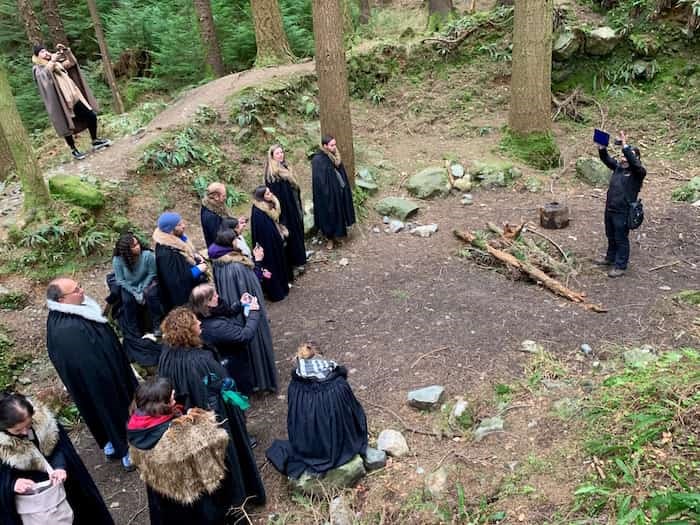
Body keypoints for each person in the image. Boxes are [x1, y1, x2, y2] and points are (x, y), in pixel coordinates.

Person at [157, 307, 265, 508]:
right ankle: (239, 500)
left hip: (188, 418)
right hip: (213, 417)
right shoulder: (201, 360)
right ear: (188, 331)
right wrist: (236, 412)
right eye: (195, 322)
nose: (200, 323)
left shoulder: (167, 354)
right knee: (228, 458)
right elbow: (224, 388)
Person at [46, 278, 138, 471]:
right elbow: (85, 365)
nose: (82, 290)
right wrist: (112, 378)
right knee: (110, 411)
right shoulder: (66, 330)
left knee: (110, 410)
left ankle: (115, 443)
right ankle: (125, 451)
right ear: (62, 300)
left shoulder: (77, 311)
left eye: (80, 285)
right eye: (76, 289)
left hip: (109, 373)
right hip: (100, 384)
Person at [127, 378, 237, 525]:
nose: (174, 394)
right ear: (162, 404)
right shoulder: (178, 437)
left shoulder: (136, 427)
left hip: (165, 491)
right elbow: (219, 441)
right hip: (193, 492)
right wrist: (204, 415)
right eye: (171, 396)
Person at [266, 342, 368, 479]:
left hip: (306, 447)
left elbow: (293, 420)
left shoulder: (294, 386)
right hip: (338, 446)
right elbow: (355, 414)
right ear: (321, 358)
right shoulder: (337, 384)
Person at [208, 229, 278, 393]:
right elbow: (252, 284)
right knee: (255, 339)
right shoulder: (236, 266)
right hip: (248, 310)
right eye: (235, 239)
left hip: (235, 309)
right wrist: (258, 261)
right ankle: (262, 380)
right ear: (229, 243)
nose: (238, 241)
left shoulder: (218, 262)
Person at [191, 282, 278, 395]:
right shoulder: (216, 327)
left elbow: (226, 314)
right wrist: (253, 313)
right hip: (231, 361)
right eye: (214, 296)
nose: (218, 296)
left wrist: (239, 304)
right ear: (207, 303)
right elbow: (244, 336)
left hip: (228, 356)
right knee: (241, 383)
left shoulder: (205, 313)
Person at [32, 44, 110, 160]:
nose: (46, 53)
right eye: (42, 52)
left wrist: (66, 51)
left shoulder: (56, 64)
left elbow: (72, 63)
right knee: (66, 125)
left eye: (45, 50)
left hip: (73, 97)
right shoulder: (38, 69)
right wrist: (52, 61)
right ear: (37, 56)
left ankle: (95, 140)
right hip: (61, 102)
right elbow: (46, 75)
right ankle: (74, 150)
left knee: (91, 115)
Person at [595, 130, 647, 277]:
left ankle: (620, 265)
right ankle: (610, 258)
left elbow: (634, 163)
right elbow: (607, 159)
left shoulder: (638, 172)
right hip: (610, 208)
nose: (623, 159)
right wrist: (601, 148)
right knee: (610, 235)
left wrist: (625, 146)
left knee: (621, 238)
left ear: (635, 158)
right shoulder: (618, 168)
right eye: (622, 156)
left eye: (627, 156)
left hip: (623, 211)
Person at [264, 144, 307, 272]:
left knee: (298, 230)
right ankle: (295, 262)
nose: (281, 155)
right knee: (290, 234)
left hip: (293, 206)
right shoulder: (273, 175)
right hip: (285, 211)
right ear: (272, 156)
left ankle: (301, 258)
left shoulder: (285, 168)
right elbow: (276, 197)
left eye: (282, 152)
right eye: (277, 153)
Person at [153, 212, 208, 312]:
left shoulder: (178, 238)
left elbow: (187, 253)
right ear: (170, 230)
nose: (184, 226)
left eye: (182, 222)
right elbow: (175, 280)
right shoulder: (166, 254)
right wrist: (197, 270)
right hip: (184, 299)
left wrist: (196, 257)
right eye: (179, 225)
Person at [112, 232, 163, 338]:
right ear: (127, 250)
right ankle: (134, 330)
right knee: (127, 301)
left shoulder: (147, 256)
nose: (138, 247)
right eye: (134, 246)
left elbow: (152, 273)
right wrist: (135, 293)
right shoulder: (118, 260)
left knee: (151, 295)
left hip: (147, 282)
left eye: (137, 244)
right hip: (129, 286)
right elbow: (120, 280)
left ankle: (157, 324)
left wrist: (143, 289)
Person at [311, 135, 355, 250]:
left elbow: (339, 170)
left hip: (337, 191)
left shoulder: (334, 156)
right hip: (325, 194)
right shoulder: (318, 159)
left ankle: (338, 236)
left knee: (338, 212)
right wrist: (328, 190)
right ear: (325, 146)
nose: (335, 147)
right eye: (332, 145)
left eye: (335, 144)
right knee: (328, 214)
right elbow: (319, 180)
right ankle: (329, 239)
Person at [251, 185, 291, 302]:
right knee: (272, 266)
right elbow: (264, 232)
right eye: (268, 194)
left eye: (270, 192)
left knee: (279, 264)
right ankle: (277, 293)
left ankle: (283, 287)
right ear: (261, 197)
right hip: (268, 247)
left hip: (275, 243)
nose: (271, 194)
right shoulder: (259, 212)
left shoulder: (269, 206)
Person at [201, 182, 232, 248]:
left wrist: (236, 222)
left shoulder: (214, 206)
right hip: (219, 252)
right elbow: (219, 238)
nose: (225, 198)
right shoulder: (211, 216)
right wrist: (236, 231)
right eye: (224, 196)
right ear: (216, 197)